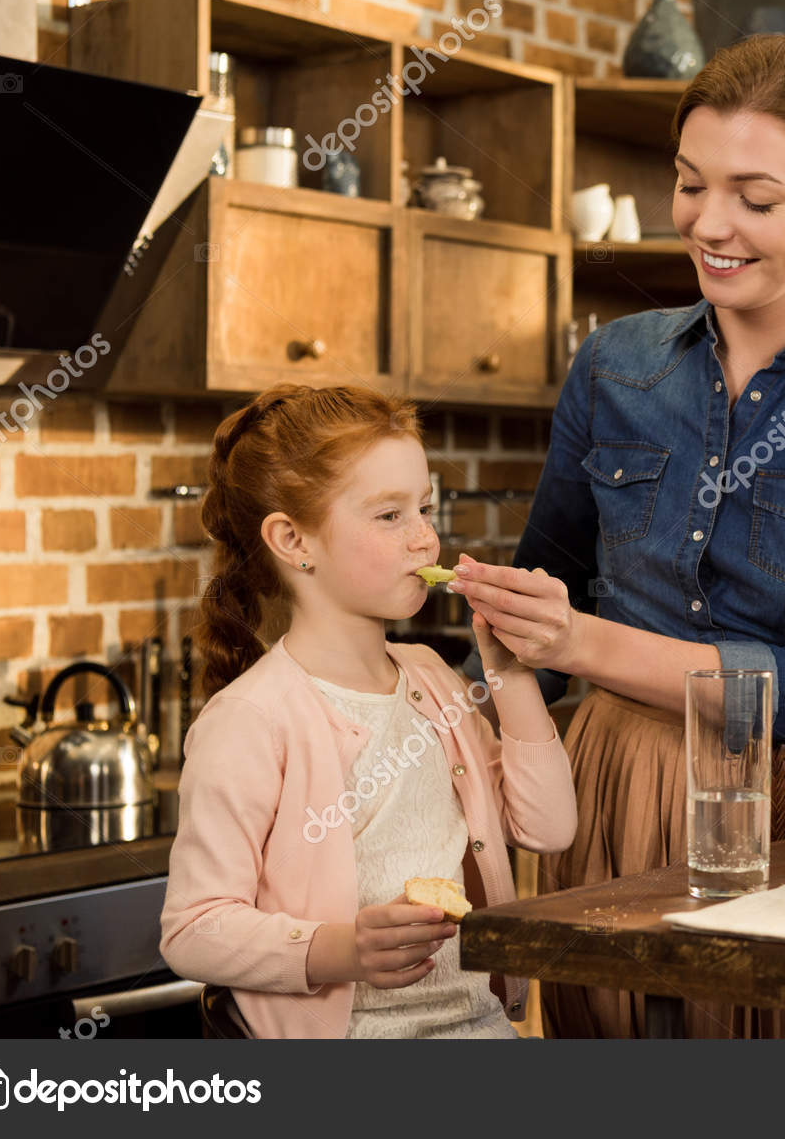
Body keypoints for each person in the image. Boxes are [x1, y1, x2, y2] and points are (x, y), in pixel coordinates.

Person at [450, 33, 785, 1038]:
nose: (709, 224)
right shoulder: (615, 365)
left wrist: (579, 642)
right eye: (690, 185)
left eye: (755, 199)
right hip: (609, 781)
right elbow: (533, 601)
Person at [160, 384, 576, 1040]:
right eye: (390, 516)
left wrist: (509, 666)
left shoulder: (435, 679)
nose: (425, 539)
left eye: (425, 508)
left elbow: (549, 827)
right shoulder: (251, 718)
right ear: (293, 539)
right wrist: (344, 950)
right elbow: (192, 929)